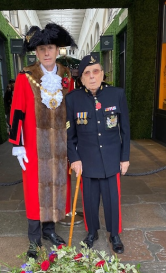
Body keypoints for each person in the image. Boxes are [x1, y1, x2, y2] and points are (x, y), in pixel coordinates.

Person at [9, 23, 77, 259]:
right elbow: (17, 110)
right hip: (34, 146)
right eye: (41, 49)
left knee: (57, 187)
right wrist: (18, 144)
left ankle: (50, 230)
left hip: (60, 145)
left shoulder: (67, 76)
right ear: (36, 52)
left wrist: (74, 141)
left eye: (50, 48)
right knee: (34, 191)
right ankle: (34, 239)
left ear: (58, 50)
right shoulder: (25, 76)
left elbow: (72, 109)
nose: (46, 53)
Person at [66, 55, 130, 254]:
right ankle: (91, 232)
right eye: (87, 73)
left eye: (96, 71)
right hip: (87, 160)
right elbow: (68, 134)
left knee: (112, 198)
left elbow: (125, 129)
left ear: (102, 74)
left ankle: (115, 234)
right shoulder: (72, 99)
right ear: (81, 78)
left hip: (112, 158)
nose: (92, 76)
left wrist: (125, 157)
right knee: (90, 199)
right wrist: (74, 158)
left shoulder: (116, 94)